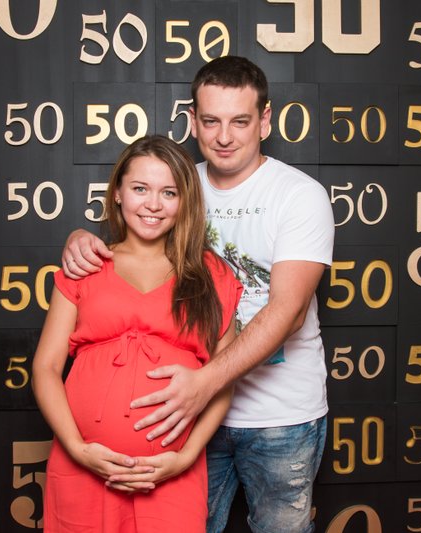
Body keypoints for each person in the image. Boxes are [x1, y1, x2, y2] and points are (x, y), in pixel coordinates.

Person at [63, 56, 335, 533]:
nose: (224, 136)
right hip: (182, 420)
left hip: (279, 417)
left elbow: (288, 313)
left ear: (265, 121)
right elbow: (132, 248)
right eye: (211, 121)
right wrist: (80, 239)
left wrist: (204, 384)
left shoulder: (298, 195)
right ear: (192, 121)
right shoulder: (175, 184)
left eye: (240, 121)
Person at [32, 135, 243, 532]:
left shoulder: (211, 274)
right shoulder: (86, 265)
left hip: (169, 474)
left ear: (185, 201)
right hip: (83, 468)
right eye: (140, 189)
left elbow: (223, 379)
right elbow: (45, 368)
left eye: (169, 193)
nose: (153, 204)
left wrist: (185, 458)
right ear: (117, 193)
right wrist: (78, 448)